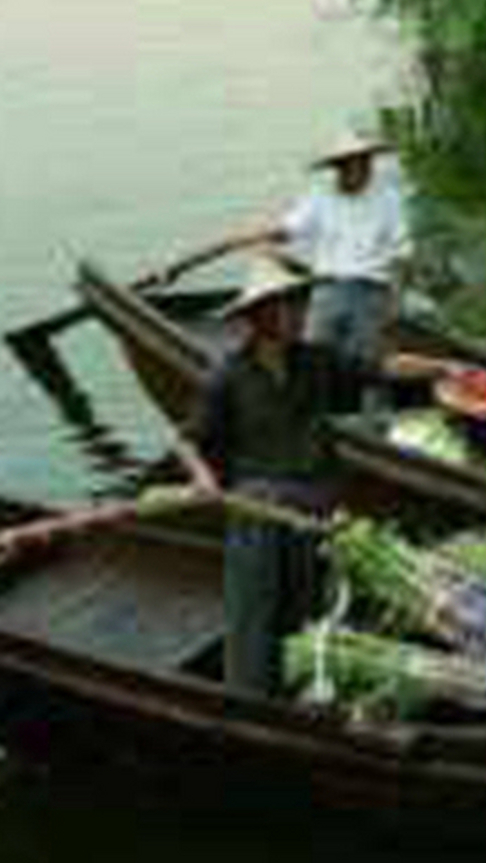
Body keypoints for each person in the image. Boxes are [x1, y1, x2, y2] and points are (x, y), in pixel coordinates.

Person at [191, 260, 337, 698]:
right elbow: (188, 440)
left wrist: (443, 370)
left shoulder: (313, 361)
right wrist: (203, 479)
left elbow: (377, 369)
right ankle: (249, 699)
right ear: (261, 317)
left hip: (312, 509)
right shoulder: (229, 375)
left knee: (308, 605)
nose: (300, 314)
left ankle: (303, 688)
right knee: (255, 612)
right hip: (260, 509)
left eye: (301, 304)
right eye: (290, 307)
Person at [174, 133, 411, 394]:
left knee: (369, 365)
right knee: (308, 357)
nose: (361, 169)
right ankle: (309, 411)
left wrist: (395, 304)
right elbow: (288, 229)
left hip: (371, 290)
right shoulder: (321, 198)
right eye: (353, 164)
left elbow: (401, 253)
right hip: (328, 289)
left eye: (365, 163)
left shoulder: (388, 198)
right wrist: (245, 238)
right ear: (339, 168)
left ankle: (371, 422)